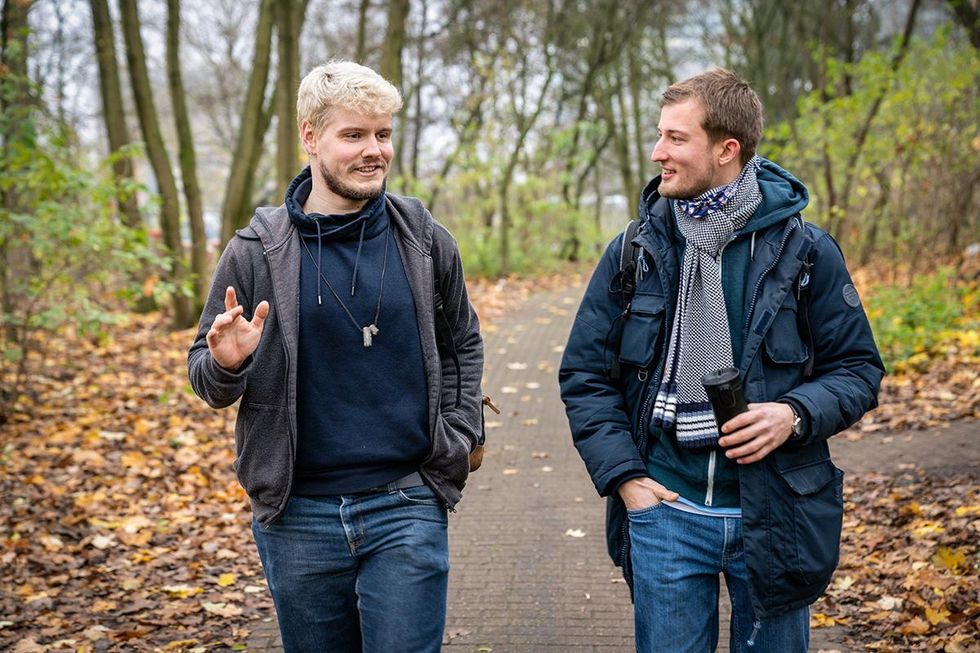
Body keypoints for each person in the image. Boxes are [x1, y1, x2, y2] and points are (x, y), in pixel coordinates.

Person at [559, 68, 884, 653]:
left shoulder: (805, 251)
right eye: (660, 135)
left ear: (726, 149)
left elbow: (858, 370)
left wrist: (793, 414)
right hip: (665, 511)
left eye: (676, 138)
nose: (657, 152)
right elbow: (585, 376)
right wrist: (626, 479)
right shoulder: (635, 250)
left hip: (777, 512)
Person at [187, 60, 484, 653]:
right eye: (354, 135)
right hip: (298, 516)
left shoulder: (424, 238)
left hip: (406, 501)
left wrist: (460, 431)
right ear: (310, 136)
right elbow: (206, 379)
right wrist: (226, 362)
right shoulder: (256, 250)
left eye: (383, 134)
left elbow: (462, 343)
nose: (374, 150)